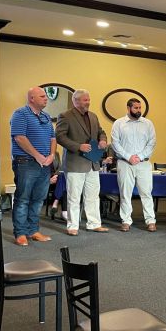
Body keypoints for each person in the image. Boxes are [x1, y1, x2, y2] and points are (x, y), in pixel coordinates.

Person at [56, 89, 109, 236]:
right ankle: (73, 226)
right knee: (74, 196)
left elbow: (101, 132)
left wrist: (103, 140)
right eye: (85, 100)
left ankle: (94, 224)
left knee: (93, 195)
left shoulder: (93, 116)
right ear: (76, 101)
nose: (88, 102)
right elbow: (60, 137)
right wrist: (78, 146)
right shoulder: (65, 116)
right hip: (75, 163)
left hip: (93, 163)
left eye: (89, 99)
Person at [10, 86, 56, 246]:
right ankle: (20, 233)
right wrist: (38, 156)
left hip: (45, 164)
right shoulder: (20, 114)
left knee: (38, 199)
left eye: (46, 96)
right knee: (23, 199)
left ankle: (33, 231)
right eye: (42, 96)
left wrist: (51, 155)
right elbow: (19, 138)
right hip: (26, 163)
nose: (46, 98)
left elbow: (53, 138)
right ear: (31, 98)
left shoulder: (46, 116)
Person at [111, 98, 157, 232]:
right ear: (128, 108)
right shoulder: (119, 123)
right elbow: (115, 143)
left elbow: (152, 143)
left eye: (140, 108)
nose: (138, 110)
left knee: (146, 193)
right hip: (125, 163)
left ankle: (150, 221)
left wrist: (140, 156)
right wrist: (128, 157)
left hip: (143, 163)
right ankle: (126, 221)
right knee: (125, 193)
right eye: (136, 108)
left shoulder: (147, 124)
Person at [48, 150, 68, 220]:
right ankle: (64, 211)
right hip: (46, 178)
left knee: (62, 179)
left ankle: (55, 202)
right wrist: (49, 179)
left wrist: (56, 175)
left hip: (56, 177)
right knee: (64, 183)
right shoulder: (42, 152)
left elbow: (60, 167)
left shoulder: (56, 153)